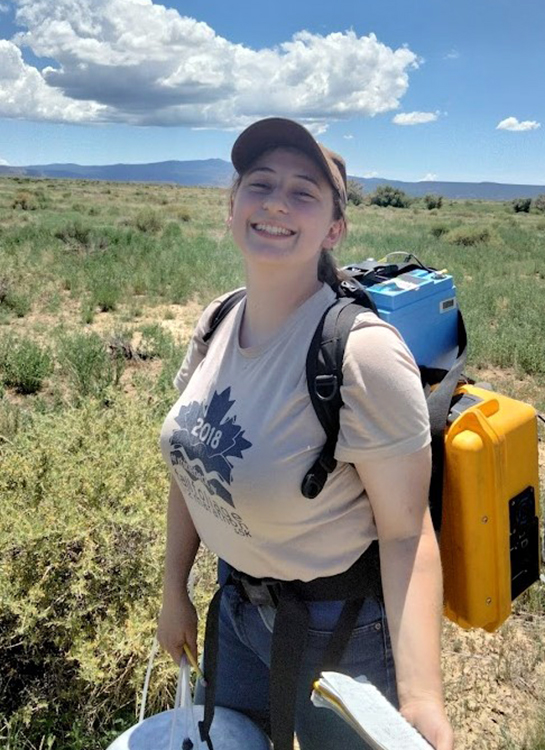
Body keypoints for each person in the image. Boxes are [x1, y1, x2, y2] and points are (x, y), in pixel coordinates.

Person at [157, 117, 453, 750]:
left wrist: (422, 696)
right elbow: (193, 465)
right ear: (232, 206)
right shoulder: (217, 319)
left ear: (334, 228)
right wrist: (174, 589)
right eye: (260, 184)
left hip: (338, 633)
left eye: (303, 193)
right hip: (234, 610)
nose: (276, 204)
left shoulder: (362, 355)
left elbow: (406, 534)